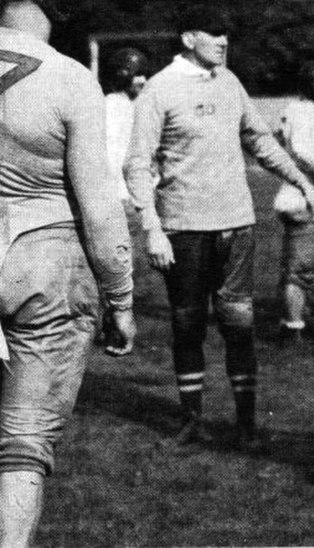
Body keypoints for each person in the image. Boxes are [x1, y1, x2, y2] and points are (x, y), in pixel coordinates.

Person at [124, 5, 314, 447]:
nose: (224, 40)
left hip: (236, 223)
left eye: (226, 33)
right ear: (188, 38)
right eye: (214, 33)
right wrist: (152, 228)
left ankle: (247, 425)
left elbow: (258, 139)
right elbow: (136, 165)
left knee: (239, 322)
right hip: (184, 228)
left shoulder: (230, 83)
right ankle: (192, 418)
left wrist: (302, 181)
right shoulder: (159, 90)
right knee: (188, 322)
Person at [0, 1, 135, 545]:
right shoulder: (68, 78)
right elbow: (100, 208)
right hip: (43, 262)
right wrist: (121, 301)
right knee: (23, 443)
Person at [274, 60, 314, 346]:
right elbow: (299, 149)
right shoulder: (308, 111)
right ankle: (292, 325)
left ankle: (289, 317)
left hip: (289, 196)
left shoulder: (292, 109)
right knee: (300, 271)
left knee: (293, 265)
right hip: (304, 198)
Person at [105, 47, 149, 202]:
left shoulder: (134, 105)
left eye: (144, 75)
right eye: (137, 75)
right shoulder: (113, 106)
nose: (143, 80)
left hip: (138, 190)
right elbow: (113, 157)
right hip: (123, 195)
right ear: (122, 75)